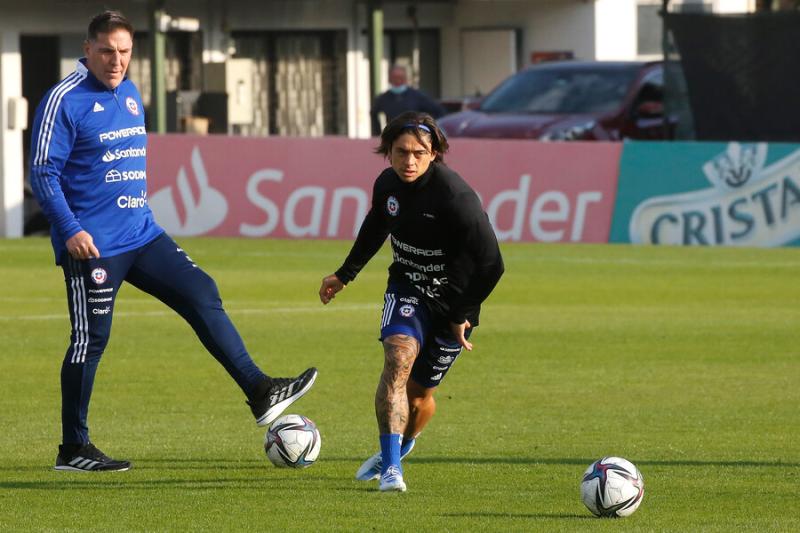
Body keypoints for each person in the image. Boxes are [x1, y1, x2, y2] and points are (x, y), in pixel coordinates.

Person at [30, 11, 317, 472]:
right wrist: (70, 229)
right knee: (90, 341)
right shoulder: (63, 100)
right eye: (106, 51)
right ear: (87, 50)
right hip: (93, 245)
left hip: (142, 234)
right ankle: (73, 448)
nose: (116, 60)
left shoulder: (129, 92)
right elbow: (43, 173)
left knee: (201, 290)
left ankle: (260, 390)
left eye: (125, 51)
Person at [318, 111, 504, 492]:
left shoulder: (456, 198)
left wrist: (460, 313)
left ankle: (402, 446)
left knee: (418, 398)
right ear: (388, 151)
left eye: (419, 153)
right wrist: (345, 274)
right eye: (401, 152)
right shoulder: (387, 185)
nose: (409, 161)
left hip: (454, 304)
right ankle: (391, 469)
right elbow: (376, 226)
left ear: (433, 153)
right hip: (407, 288)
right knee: (397, 357)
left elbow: (492, 264)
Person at [370, 64, 446, 136]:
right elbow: (373, 113)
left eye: (401, 78)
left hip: (414, 135)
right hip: (392, 135)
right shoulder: (384, 98)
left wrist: (428, 129)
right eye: (395, 78)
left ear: (405, 79)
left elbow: (439, 111)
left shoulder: (417, 96)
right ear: (389, 79)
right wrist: (377, 133)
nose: (398, 80)